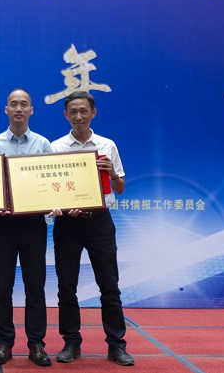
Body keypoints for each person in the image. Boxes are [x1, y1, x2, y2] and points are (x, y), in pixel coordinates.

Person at [50, 91, 135, 367]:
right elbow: (52, 189)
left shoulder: (107, 145)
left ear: (93, 113)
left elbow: (120, 188)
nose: (79, 116)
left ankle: (116, 344)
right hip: (68, 224)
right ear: (65, 115)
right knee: (66, 286)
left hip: (100, 222)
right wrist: (64, 207)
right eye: (73, 111)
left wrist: (112, 172)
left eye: (83, 111)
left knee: (109, 285)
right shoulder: (56, 147)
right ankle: (71, 342)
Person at [0, 88, 53, 367]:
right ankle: (4, 343)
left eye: (24, 104)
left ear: (32, 110)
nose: (19, 108)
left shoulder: (43, 144)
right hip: (2, 223)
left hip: (33, 223)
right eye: (14, 104)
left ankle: (36, 343)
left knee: (35, 286)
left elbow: (51, 183)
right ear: (6, 109)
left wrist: (53, 202)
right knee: (3, 286)